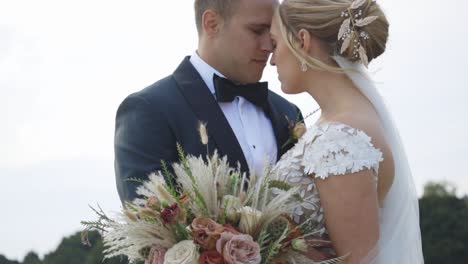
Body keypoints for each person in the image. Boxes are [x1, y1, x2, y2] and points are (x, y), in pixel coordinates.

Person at [269, 0, 424, 263]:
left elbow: (358, 260)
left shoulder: (340, 138)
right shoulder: (344, 123)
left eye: (275, 44)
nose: (272, 59)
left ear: (302, 41)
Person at [114, 0, 302, 204]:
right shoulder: (149, 109)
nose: (268, 46)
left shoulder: (289, 113)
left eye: (273, 34)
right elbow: (148, 219)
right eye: (257, 31)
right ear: (212, 24)